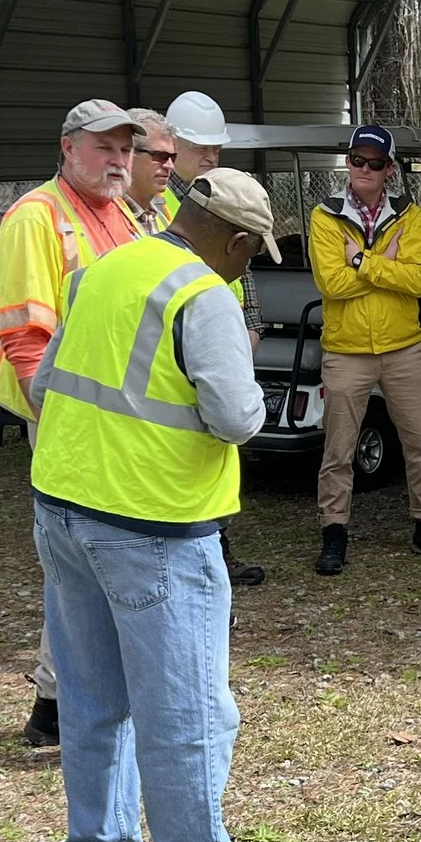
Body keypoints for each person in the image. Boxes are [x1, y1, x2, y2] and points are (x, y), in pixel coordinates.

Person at [28, 167, 289, 842]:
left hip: (64, 510)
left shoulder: (106, 268)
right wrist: (239, 355)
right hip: (155, 529)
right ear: (235, 240)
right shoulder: (203, 295)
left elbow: (44, 385)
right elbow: (238, 419)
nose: (250, 266)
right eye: (253, 253)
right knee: (187, 711)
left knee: (92, 696)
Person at [0, 99, 146, 750]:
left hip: (117, 421)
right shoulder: (35, 217)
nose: (118, 160)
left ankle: (69, 700)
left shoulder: (124, 214)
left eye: (125, 148)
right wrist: (50, 422)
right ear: (67, 147)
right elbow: (26, 335)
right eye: (105, 147)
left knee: (92, 559)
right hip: (67, 421)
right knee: (77, 560)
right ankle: (57, 703)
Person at [306, 125, 421, 575]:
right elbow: (330, 284)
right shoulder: (324, 216)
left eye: (374, 162)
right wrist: (385, 264)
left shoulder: (410, 215)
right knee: (338, 449)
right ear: (348, 164)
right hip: (346, 351)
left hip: (403, 349)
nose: (363, 168)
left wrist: (359, 259)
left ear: (389, 170)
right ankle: (334, 532)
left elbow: (420, 281)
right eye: (356, 160)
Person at [153, 90, 265, 589]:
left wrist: (253, 325)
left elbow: (242, 266)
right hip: (179, 342)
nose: (212, 157)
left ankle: (217, 549)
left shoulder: (216, 193)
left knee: (217, 448)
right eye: (202, 148)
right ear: (173, 144)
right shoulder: (162, 206)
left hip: (224, 332)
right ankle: (199, 555)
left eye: (217, 149)